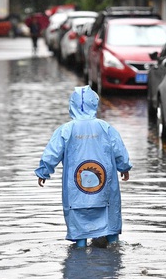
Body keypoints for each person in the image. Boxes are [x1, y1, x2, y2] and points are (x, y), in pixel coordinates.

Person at [35, 85, 132, 248]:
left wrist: (43, 172)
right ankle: (112, 250)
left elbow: (52, 152)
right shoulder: (105, 128)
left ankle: (79, 258)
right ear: (95, 104)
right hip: (105, 192)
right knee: (110, 224)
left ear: (71, 105)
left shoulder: (66, 130)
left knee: (80, 229)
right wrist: (124, 167)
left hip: (76, 193)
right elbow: (119, 150)